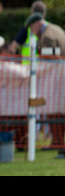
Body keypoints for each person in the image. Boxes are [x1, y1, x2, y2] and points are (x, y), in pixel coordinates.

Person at [25, 12, 65, 149]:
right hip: (60, 76)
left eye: (31, 28)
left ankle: (57, 142)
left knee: (55, 109)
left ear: (37, 25)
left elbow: (50, 58)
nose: (32, 32)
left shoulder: (47, 36)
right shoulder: (56, 28)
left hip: (57, 78)